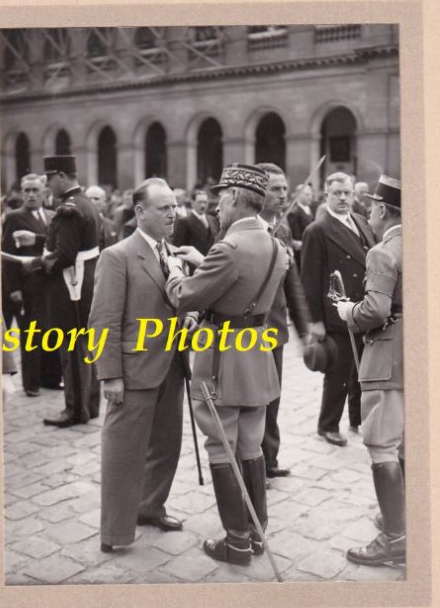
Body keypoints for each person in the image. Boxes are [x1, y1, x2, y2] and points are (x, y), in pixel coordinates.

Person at [166, 163, 288, 567]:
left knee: (221, 442)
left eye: (221, 198)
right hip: (257, 353)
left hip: (222, 358)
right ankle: (255, 534)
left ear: (236, 197)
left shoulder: (229, 248)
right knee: (250, 444)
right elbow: (237, 286)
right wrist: (207, 263)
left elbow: (187, 297)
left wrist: (174, 273)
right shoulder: (276, 246)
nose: (217, 207)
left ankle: (235, 541)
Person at [88, 178, 186, 552]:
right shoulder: (118, 256)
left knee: (167, 445)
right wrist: (110, 375)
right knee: (123, 454)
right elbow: (103, 321)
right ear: (140, 213)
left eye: (174, 207)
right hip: (132, 373)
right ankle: (115, 533)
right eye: (164, 208)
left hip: (171, 368)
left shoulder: (170, 253)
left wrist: (186, 321)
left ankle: (150, 507)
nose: (173, 214)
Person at [334, 176, 405, 567]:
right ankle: (405, 521)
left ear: (381, 210)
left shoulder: (383, 251)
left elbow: (375, 310)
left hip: (389, 354)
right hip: (419, 356)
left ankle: (395, 538)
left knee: (381, 443)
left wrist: (348, 312)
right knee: (408, 443)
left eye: (372, 207)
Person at [300, 171, 375, 445]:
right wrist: (316, 322)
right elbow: (308, 280)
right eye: (337, 193)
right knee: (339, 372)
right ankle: (328, 424)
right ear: (326, 195)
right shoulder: (317, 230)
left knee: (362, 369)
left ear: (353, 194)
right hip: (336, 313)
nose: (343, 198)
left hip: (363, 309)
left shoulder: (362, 222)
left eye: (347, 193)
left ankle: (357, 419)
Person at [255, 163, 312, 478]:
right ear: (258, 193)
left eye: (284, 188)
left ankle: (269, 459)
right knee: (254, 400)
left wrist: (304, 331)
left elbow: (293, 284)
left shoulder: (285, 227)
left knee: (273, 397)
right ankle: (250, 462)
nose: (283, 194)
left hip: (274, 328)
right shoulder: (239, 227)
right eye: (275, 189)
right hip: (246, 332)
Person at [41, 154, 99, 428]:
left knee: (72, 349)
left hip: (70, 287)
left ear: (62, 176)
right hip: (85, 284)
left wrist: (40, 264)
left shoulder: (68, 209)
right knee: (85, 347)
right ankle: (91, 404)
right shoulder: (85, 203)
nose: (48, 185)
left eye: (50, 179)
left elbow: (64, 253)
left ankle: (75, 410)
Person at [1, 173, 60, 396]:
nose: (31, 195)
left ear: (44, 192)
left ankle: (52, 379)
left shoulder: (53, 216)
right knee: (31, 335)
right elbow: (7, 255)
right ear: (22, 193)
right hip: (28, 287)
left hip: (50, 285)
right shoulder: (15, 217)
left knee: (52, 331)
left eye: (35, 190)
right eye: (27, 190)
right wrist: (13, 288)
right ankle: (32, 383)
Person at [172, 187, 216, 256]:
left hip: (211, 262)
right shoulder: (184, 222)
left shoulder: (213, 220)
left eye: (205, 202)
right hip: (192, 264)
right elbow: (178, 247)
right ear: (192, 203)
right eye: (200, 202)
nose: (203, 205)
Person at [286, 182, 315, 266]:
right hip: (301, 252)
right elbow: (296, 236)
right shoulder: (294, 213)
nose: (310, 197)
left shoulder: (310, 209)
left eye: (311, 194)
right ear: (299, 195)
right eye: (307, 195)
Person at [85, 185, 119, 249]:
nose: (92, 201)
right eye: (88, 198)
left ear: (104, 203)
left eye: (96, 199)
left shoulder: (111, 225)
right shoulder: (78, 223)